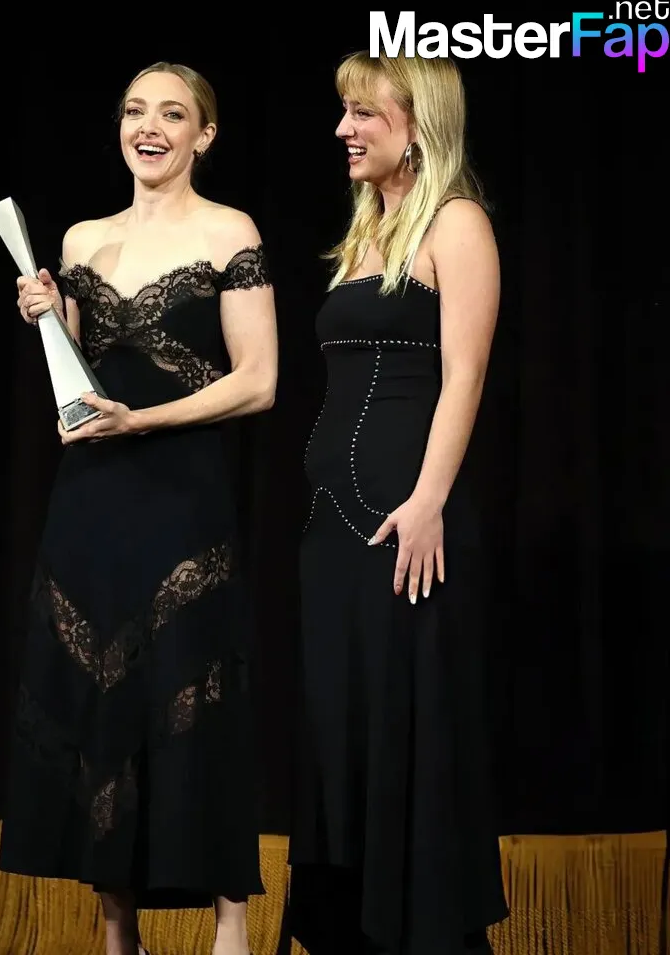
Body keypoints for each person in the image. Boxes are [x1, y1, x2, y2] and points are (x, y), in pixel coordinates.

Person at [0, 61, 278, 955]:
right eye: (134, 111)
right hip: (92, 505)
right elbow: (78, 395)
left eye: (172, 114)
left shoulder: (230, 230)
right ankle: (121, 938)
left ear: (205, 135)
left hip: (182, 498)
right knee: (100, 699)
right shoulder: (83, 240)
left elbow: (259, 381)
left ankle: (231, 930)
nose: (148, 127)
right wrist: (46, 315)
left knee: (195, 695)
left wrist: (143, 419)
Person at [286, 50, 510, 954]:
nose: (344, 129)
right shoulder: (364, 232)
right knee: (340, 734)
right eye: (344, 112)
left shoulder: (457, 223)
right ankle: (347, 933)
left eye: (364, 113)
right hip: (333, 533)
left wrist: (428, 501)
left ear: (417, 125)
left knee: (403, 731)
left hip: (405, 527)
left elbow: (466, 376)